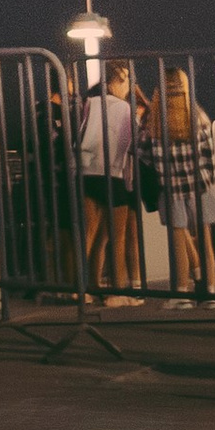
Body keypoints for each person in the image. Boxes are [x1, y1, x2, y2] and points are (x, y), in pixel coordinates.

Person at [148, 67, 215, 302]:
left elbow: (143, 153)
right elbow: (210, 155)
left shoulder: (154, 121)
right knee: (206, 241)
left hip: (171, 189)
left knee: (178, 242)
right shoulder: (197, 116)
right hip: (200, 186)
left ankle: (181, 294)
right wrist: (211, 181)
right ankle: (211, 295)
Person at [78, 57, 143, 304]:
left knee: (89, 234)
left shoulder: (90, 102)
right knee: (117, 236)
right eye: (126, 80)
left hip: (86, 171)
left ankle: (85, 287)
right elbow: (132, 144)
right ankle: (117, 292)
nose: (128, 85)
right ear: (117, 81)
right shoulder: (125, 108)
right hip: (113, 174)